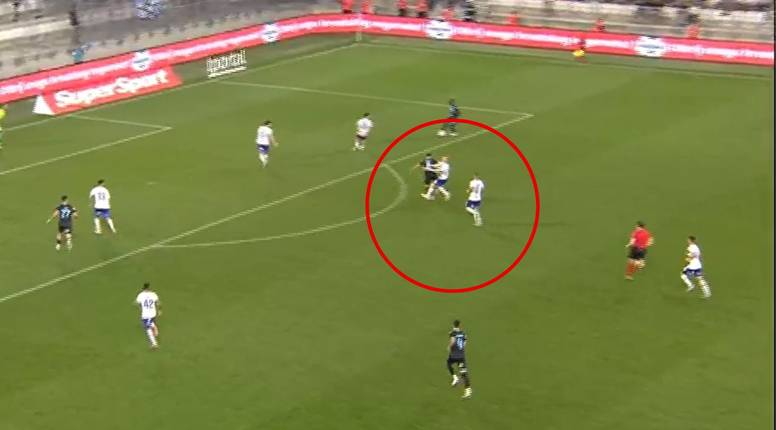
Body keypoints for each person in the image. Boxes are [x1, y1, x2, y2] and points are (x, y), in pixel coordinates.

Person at [447, 320, 472, 399]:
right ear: (459, 325)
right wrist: (461, 348)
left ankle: (455, 378)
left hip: (454, 355)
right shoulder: (463, 333)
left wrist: (449, 347)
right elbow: (465, 341)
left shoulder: (453, 333)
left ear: (453, 325)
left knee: (448, 363)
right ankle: (468, 391)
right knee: (463, 373)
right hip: (461, 356)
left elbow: (453, 341)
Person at [135, 282, 161, 349]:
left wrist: (140, 308)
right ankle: (154, 326)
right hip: (153, 313)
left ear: (143, 288)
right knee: (149, 324)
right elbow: (158, 302)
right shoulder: (153, 294)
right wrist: (159, 310)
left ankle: (154, 343)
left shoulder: (140, 295)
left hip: (146, 314)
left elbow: (137, 303)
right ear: (149, 288)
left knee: (148, 328)